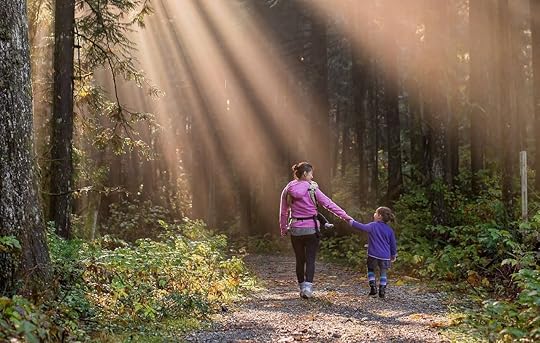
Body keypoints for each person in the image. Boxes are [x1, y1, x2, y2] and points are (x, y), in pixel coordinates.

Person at [279, 162, 352, 298]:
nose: (312, 176)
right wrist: (346, 217)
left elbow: (283, 212)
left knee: (300, 259)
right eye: (311, 173)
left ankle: (301, 288)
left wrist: (283, 228)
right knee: (310, 259)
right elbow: (329, 204)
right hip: (311, 229)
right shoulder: (312, 189)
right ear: (305, 174)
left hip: (295, 229)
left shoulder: (288, 189)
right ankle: (308, 289)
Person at [349, 207, 397, 298]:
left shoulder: (373, 225)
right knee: (383, 272)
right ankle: (382, 291)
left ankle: (373, 287)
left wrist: (351, 221)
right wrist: (393, 254)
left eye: (376, 212)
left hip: (373, 254)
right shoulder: (390, 230)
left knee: (371, 270)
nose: (374, 214)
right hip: (385, 256)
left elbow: (361, 227)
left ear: (379, 216)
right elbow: (393, 244)